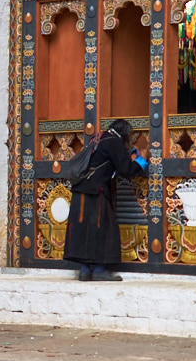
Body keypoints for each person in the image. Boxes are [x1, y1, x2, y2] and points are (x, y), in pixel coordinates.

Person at [63, 118, 148, 282]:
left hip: (81, 190)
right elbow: (126, 170)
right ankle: (100, 270)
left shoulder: (99, 138)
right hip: (96, 193)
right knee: (104, 229)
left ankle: (85, 271)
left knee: (84, 229)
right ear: (124, 133)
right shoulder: (114, 142)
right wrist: (141, 160)